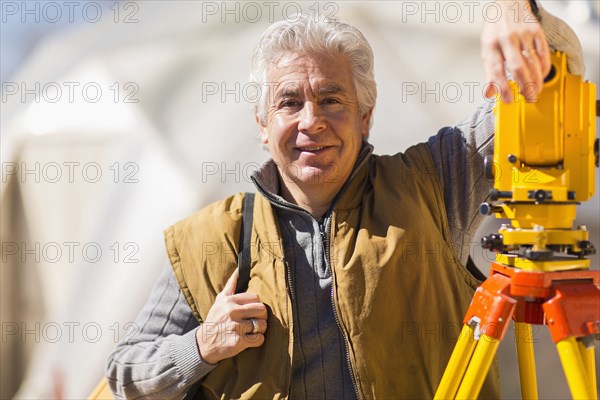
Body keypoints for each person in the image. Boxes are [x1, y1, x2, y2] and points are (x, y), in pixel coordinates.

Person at [106, 1, 584, 398]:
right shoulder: (210, 237)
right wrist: (202, 345)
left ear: (365, 117)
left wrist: (517, 11)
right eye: (289, 102)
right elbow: (124, 371)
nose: (311, 121)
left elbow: (548, 84)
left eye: (332, 100)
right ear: (262, 124)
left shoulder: (434, 183)